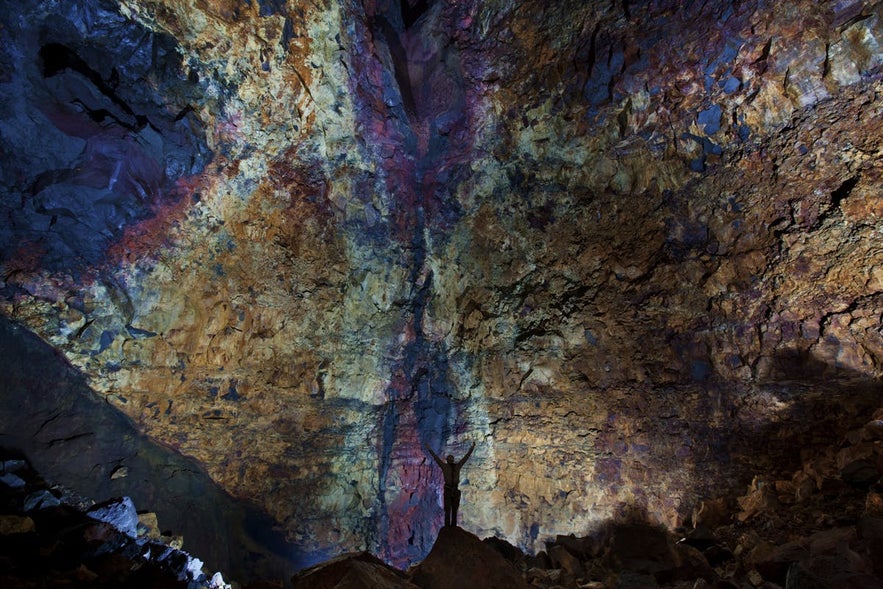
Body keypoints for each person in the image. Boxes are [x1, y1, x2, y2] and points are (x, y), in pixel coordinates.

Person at [424, 440, 475, 527]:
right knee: (449, 510)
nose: (450, 459)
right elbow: (436, 458)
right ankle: (449, 528)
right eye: (450, 458)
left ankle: (451, 528)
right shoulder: (452, 466)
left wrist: (472, 449)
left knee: (452, 510)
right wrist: (429, 449)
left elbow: (465, 458)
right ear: (449, 460)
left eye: (451, 458)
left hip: (452, 490)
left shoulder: (450, 466)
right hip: (450, 490)